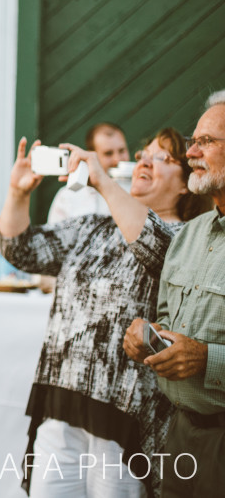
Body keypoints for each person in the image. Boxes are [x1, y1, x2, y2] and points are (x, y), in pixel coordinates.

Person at [0, 127, 208, 497]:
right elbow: (21, 249)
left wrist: (102, 182)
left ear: (185, 184)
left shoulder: (186, 241)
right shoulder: (94, 228)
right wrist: (18, 193)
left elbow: (154, 246)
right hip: (61, 405)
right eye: (144, 152)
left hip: (124, 422)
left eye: (161, 157)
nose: (144, 159)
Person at [123, 91, 225, 498]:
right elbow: (168, 319)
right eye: (192, 141)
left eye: (206, 142)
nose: (191, 153)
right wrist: (149, 337)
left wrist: (206, 358)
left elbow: (199, 352)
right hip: (180, 436)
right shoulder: (193, 234)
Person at [48, 122, 130, 223]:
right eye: (108, 153)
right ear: (91, 155)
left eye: (122, 151)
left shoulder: (139, 189)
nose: (117, 160)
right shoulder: (67, 196)